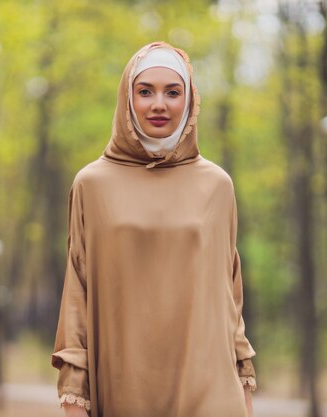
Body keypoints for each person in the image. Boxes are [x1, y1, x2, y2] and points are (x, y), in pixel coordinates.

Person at [51, 41, 257, 417]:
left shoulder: (217, 186)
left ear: (190, 101)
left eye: (172, 92)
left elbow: (230, 299)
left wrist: (244, 390)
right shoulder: (92, 184)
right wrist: (74, 397)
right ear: (127, 99)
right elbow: (76, 296)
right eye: (145, 91)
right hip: (125, 389)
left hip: (209, 391)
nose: (158, 104)